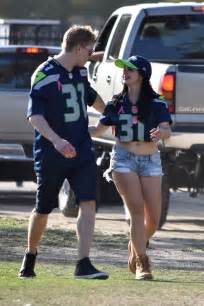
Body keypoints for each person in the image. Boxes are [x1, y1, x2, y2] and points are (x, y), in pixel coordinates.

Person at [18, 25, 109, 280]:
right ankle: (30, 254)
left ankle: (83, 263)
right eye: (89, 50)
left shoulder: (80, 72)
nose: (90, 55)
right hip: (52, 151)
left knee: (88, 202)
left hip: (81, 148)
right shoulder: (44, 73)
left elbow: (92, 98)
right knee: (43, 208)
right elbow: (34, 116)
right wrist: (57, 141)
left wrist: (111, 117)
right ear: (79, 48)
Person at [89, 55, 171, 280]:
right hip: (123, 159)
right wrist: (75, 130)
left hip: (151, 160)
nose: (125, 72)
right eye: (124, 69)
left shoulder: (157, 102)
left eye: (130, 69)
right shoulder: (116, 102)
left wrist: (161, 133)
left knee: (152, 219)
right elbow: (98, 130)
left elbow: (166, 130)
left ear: (142, 74)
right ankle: (142, 263)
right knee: (136, 211)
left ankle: (135, 245)